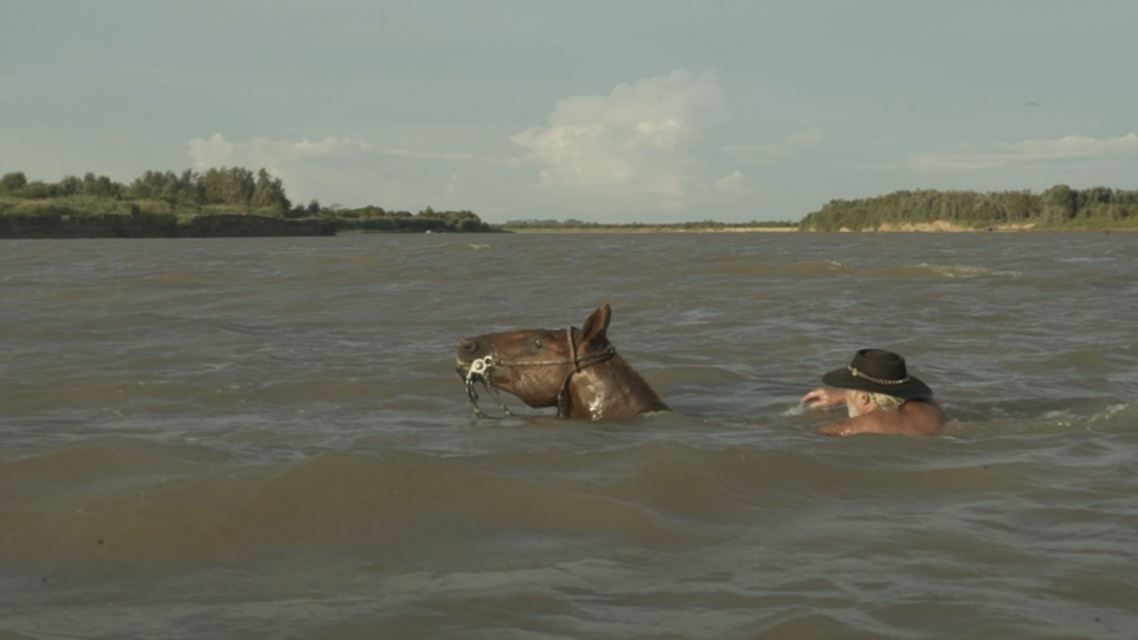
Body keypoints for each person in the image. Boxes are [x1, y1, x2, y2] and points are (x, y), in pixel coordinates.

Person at [800, 348, 947, 436]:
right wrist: (845, 396)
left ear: (864, 398)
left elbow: (806, 441)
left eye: (848, 388)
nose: (845, 392)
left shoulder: (852, 426)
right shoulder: (931, 407)